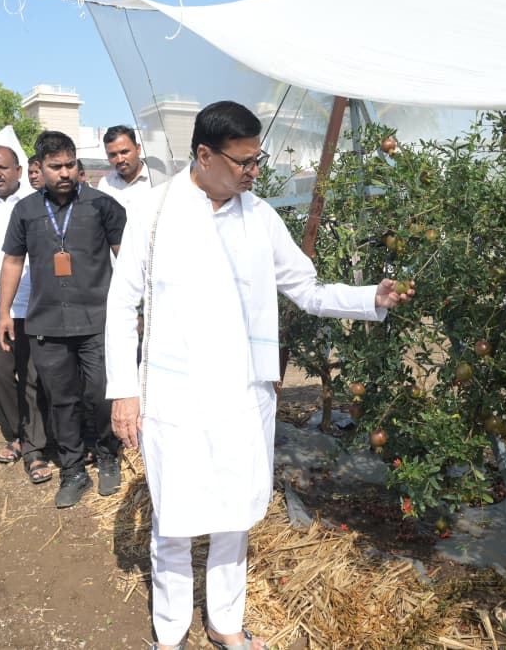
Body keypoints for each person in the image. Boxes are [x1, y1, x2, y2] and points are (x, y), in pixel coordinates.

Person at [104, 101, 415, 650]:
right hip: (173, 394)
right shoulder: (153, 213)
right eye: (243, 162)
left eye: (257, 160)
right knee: (174, 517)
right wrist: (124, 392)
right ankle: (170, 631)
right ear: (204, 155)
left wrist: (372, 297)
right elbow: (121, 304)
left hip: (242, 393)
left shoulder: (261, 217)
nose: (253, 172)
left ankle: (224, 621)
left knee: (234, 514)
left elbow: (307, 289)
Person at [0, 130, 126, 508]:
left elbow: (128, 258)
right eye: (56, 167)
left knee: (100, 393)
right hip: (48, 323)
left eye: (70, 164)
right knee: (62, 400)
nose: (65, 173)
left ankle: (107, 453)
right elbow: (12, 262)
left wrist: (135, 309)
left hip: (97, 319)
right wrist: (4, 313)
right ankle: (72, 469)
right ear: (39, 167)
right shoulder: (25, 211)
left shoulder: (103, 206)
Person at [0, 145, 51, 484]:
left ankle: (35, 447)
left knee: (32, 377)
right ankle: (16, 434)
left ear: (19, 170)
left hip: (30, 304)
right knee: (1, 375)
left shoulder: (37, 204)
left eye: (3, 167)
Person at [97, 125, 155, 213]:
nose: (120, 160)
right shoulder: (105, 184)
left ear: (138, 149)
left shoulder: (157, 181)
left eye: (124, 152)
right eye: (113, 155)